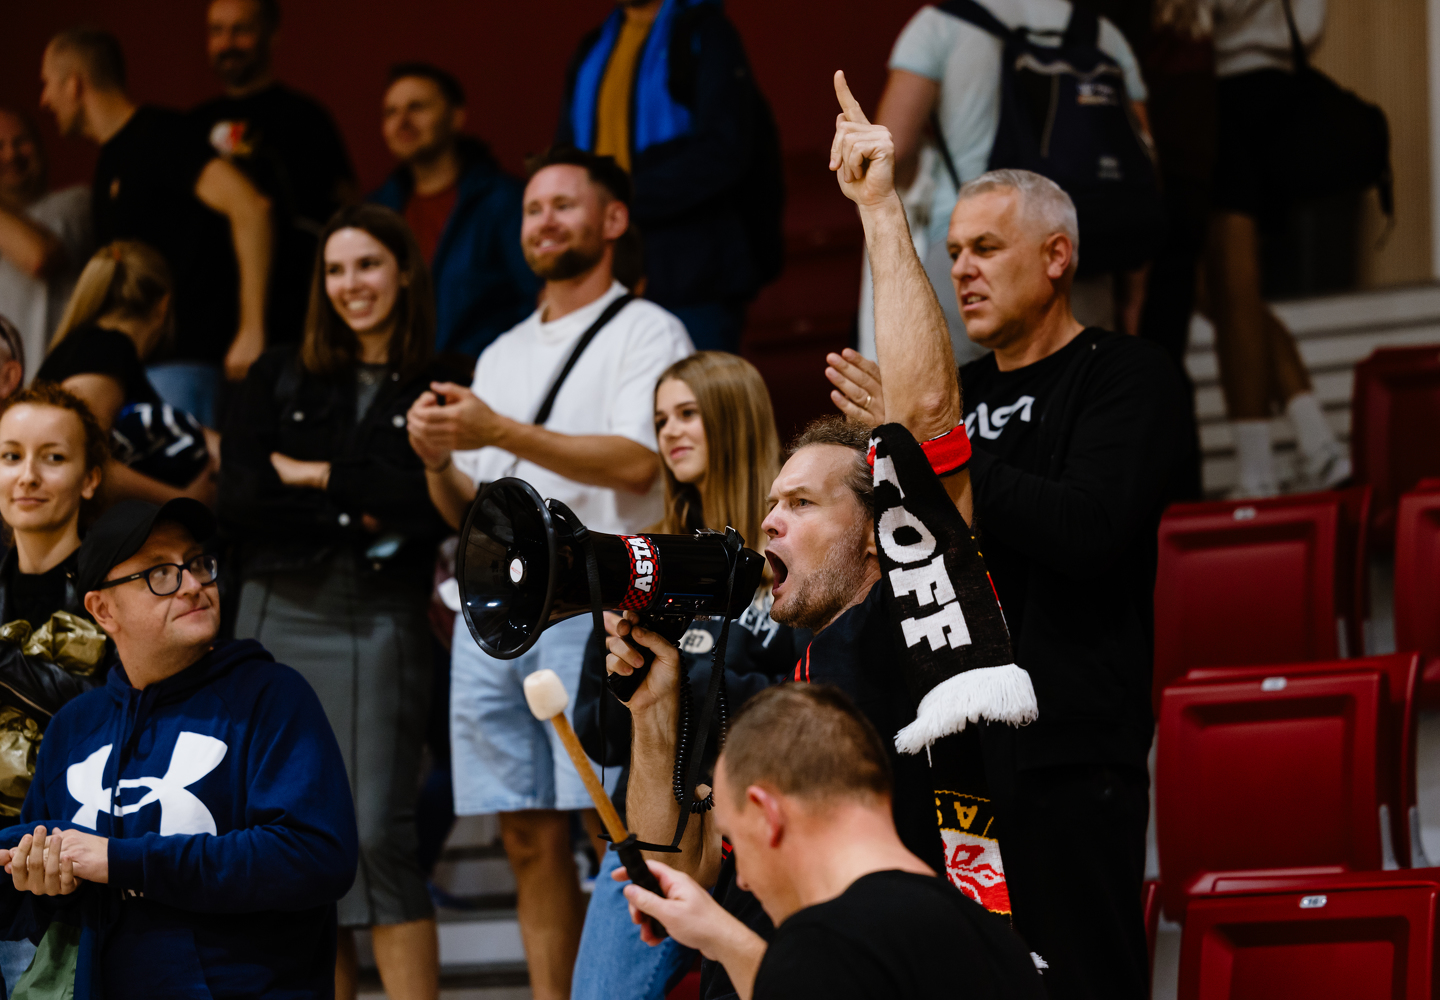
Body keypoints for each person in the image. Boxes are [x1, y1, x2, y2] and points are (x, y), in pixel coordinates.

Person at [822, 74, 1196, 998]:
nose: (962, 270)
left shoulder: (1127, 375)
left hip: (1071, 744)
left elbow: (1089, 530)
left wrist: (937, 452)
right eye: (952, 252)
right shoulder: (962, 395)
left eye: (986, 248)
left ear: (1058, 256)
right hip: (949, 748)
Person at [406, 145, 692, 1000]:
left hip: (595, 602)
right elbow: (472, 505)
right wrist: (436, 457)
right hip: (498, 610)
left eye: (565, 204)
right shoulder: (500, 351)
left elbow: (639, 463)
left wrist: (496, 429)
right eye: (533, 209)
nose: (544, 221)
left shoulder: (648, 328)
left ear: (613, 220)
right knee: (525, 837)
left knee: (608, 825)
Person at [221, 204, 460, 1000]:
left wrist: (317, 477)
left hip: (381, 608)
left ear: (403, 274)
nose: (350, 284)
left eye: (367, 265)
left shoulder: (443, 377)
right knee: (286, 838)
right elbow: (243, 498)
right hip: (271, 605)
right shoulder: (276, 372)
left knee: (376, 836)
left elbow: (429, 508)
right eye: (334, 270)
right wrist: (360, 511)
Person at [0, 497, 357, 999]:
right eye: (160, 574)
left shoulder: (272, 695)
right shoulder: (72, 727)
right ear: (102, 609)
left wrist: (123, 860)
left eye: (197, 563)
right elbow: (42, 897)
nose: (192, 584)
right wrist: (46, 884)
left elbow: (316, 857)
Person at [571, 351, 795, 1000]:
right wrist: (629, 670)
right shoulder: (641, 560)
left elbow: (806, 703)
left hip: (762, 831)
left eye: (688, 413)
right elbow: (600, 736)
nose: (670, 432)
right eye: (661, 419)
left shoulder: (792, 548)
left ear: (735, 418)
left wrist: (684, 685)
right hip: (649, 828)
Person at [619, 685, 1049, 1000]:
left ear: (767, 813)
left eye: (734, 841)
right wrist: (717, 934)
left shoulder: (826, 946)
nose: (743, 880)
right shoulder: (997, 941)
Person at [866, 0, 1150, 363]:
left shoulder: (938, 26)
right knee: (1076, 391)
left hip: (964, 260)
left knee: (961, 395)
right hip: (1074, 264)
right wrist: (1133, 293)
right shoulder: (1103, 35)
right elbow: (1140, 166)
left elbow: (895, 149)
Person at [39, 26, 273, 426]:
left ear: (74, 84)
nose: (44, 100)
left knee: (182, 466)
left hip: (185, 364)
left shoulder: (161, 135)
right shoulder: (110, 159)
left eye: (47, 84)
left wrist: (252, 328)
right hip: (140, 370)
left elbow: (251, 206)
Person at [556, 0, 783, 353]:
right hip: (608, 272)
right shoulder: (593, 47)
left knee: (697, 385)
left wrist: (619, 199)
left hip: (692, 274)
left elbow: (724, 150)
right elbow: (566, 160)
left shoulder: (703, 32)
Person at [1204, 0, 1349, 496]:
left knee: (1231, 287)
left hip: (1228, 90)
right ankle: (1317, 441)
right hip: (1277, 88)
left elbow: (1211, 11)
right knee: (1226, 290)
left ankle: (1259, 471)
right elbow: (1311, 23)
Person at [0, 383, 113, 992]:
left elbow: (105, 713)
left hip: (65, 870)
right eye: (10, 456)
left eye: (53, 458)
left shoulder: (121, 590)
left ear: (90, 479)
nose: (28, 476)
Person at [191, 0, 358, 349]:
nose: (227, 43)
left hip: (293, 327)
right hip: (205, 329)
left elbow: (346, 215)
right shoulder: (191, 126)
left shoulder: (305, 119)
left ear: (272, 35)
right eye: (217, 31)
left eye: (241, 30)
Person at [371, 63, 540, 361]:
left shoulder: (504, 201)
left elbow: (538, 298)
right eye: (391, 112)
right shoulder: (376, 211)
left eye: (417, 107)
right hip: (399, 378)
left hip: (483, 375)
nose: (402, 121)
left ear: (457, 117)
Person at [38, 241, 216, 505]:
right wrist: (184, 500)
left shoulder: (90, 349)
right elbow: (84, 458)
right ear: (164, 305)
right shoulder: (106, 350)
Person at [0, 108, 92, 383]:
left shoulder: (74, 203)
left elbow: (38, 258)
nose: (11, 155)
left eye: (21, 142)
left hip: (59, 388)